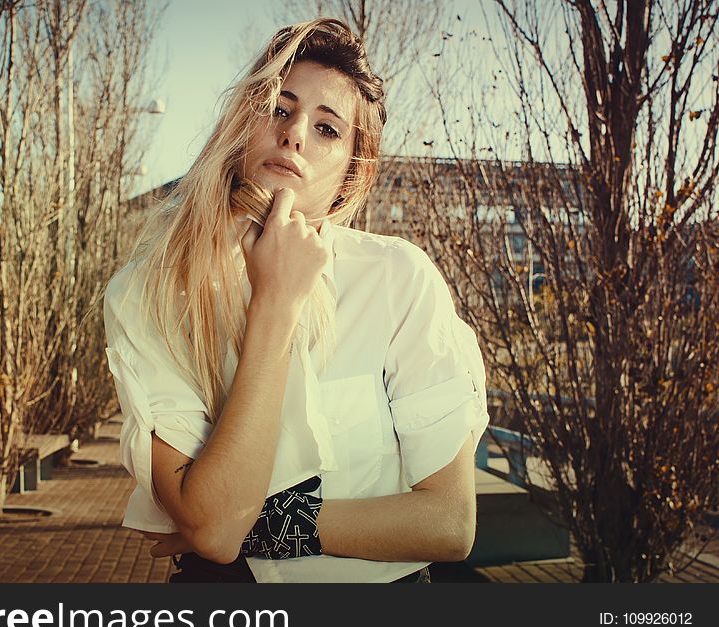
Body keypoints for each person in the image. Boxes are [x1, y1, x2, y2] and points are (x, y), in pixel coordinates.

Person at [103, 18, 489, 583]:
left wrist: (260, 526)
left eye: (328, 129)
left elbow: (450, 524)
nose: (295, 134)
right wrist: (276, 305)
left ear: (351, 172)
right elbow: (211, 531)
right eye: (278, 108)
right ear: (242, 125)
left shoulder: (397, 280)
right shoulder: (151, 291)